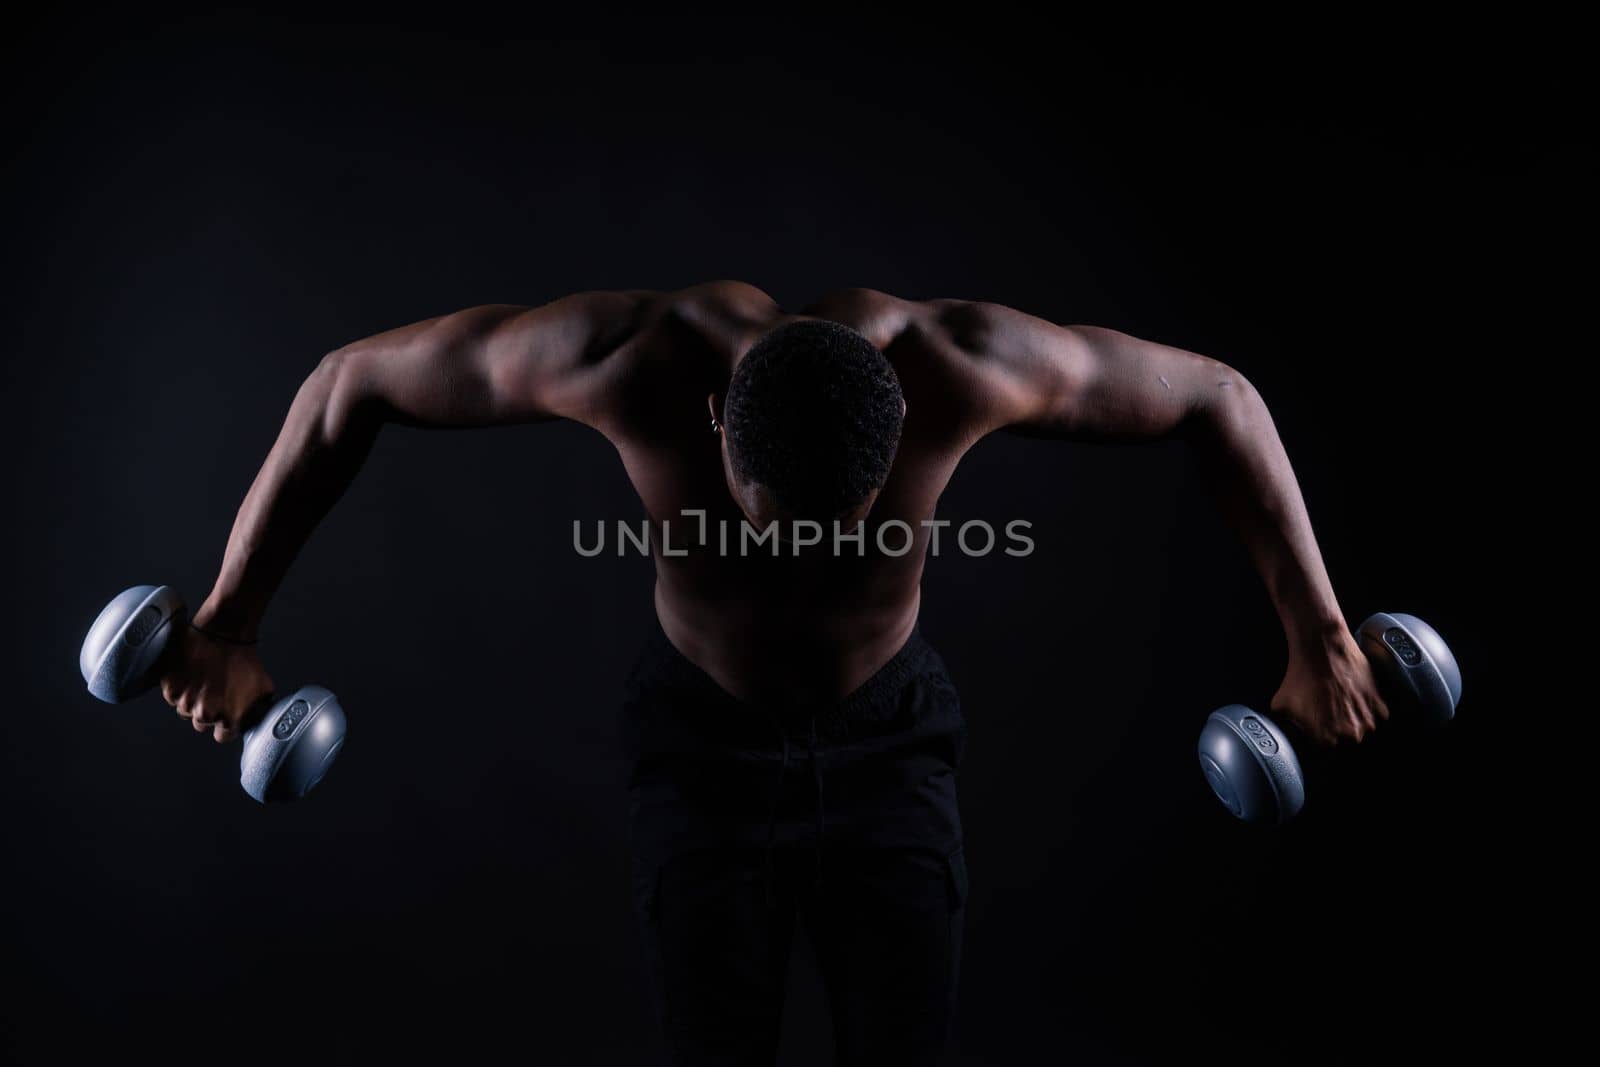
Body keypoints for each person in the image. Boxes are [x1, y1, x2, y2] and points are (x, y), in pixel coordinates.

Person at [159, 281, 1389, 1065]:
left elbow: (1218, 398)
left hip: (891, 742)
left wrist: (1319, 633)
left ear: (905, 427)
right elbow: (348, 385)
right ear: (712, 427)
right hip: (699, 750)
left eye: (835, 523)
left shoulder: (966, 364)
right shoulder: (626, 359)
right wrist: (228, 617)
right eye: (767, 518)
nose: (798, 546)